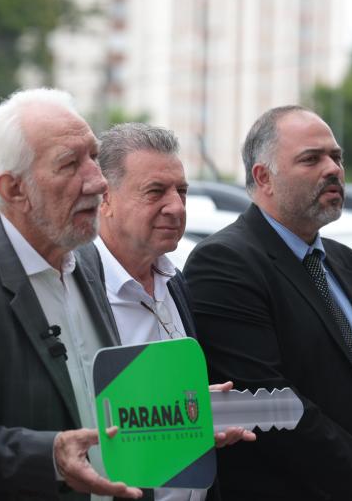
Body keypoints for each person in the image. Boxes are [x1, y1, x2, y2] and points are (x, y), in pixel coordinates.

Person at [0, 88, 141, 500]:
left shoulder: (86, 257)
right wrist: (49, 456)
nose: (98, 180)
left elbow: (93, 395)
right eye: (70, 164)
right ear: (14, 189)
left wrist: (177, 408)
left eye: (94, 155)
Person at [184, 105, 352, 500]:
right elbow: (264, 401)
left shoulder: (351, 264)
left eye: (336, 157)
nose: (334, 169)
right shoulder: (223, 262)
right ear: (263, 176)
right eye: (311, 158)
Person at [76, 123, 255, 501]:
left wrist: (198, 420)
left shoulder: (176, 280)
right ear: (104, 199)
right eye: (156, 191)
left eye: (182, 191)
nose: (176, 206)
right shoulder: (77, 290)